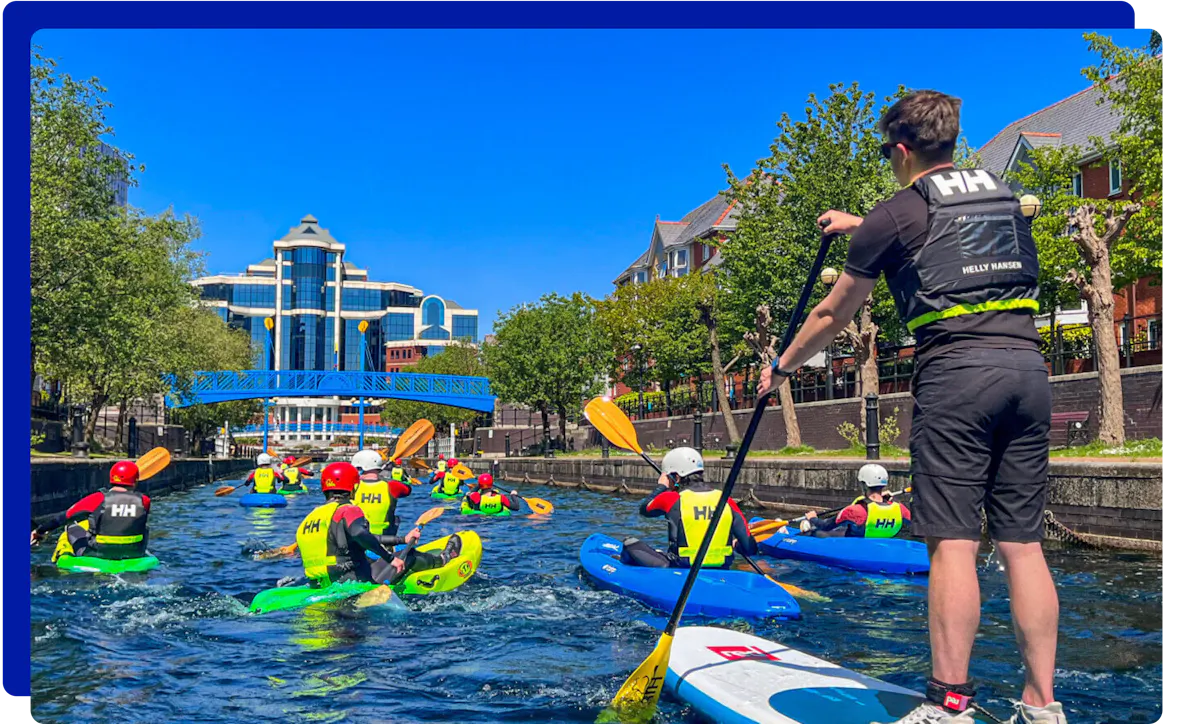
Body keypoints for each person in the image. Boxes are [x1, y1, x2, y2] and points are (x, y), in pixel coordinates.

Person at [756, 90, 1062, 724]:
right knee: (1022, 547)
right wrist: (860, 225)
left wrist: (780, 367)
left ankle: (948, 705)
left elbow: (831, 313)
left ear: (900, 149)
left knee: (952, 543)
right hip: (1031, 371)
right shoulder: (1003, 192)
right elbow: (952, 231)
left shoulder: (895, 213)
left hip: (958, 377)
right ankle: (1042, 708)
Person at [296, 462, 461, 588]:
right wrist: (390, 558)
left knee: (379, 557)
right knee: (408, 554)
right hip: (353, 583)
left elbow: (358, 537)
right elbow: (360, 534)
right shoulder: (348, 510)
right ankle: (442, 559)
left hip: (322, 585)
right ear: (354, 486)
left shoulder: (310, 518)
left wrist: (402, 539)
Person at [622, 447, 757, 569]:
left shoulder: (672, 499)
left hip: (682, 567)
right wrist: (737, 545)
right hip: (721, 568)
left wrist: (662, 486)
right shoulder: (726, 500)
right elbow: (750, 548)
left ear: (676, 477)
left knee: (630, 543)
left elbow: (645, 509)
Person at [30, 461, 151, 561]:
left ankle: (60, 556)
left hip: (98, 553)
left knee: (71, 526)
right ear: (135, 481)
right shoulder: (145, 500)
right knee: (145, 526)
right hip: (134, 553)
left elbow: (64, 517)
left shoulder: (97, 498)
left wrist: (40, 531)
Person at [795, 464, 911, 539]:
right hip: (883, 544)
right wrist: (891, 500)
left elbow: (825, 526)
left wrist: (813, 518)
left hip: (857, 545)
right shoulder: (899, 508)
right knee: (843, 528)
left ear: (864, 485)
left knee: (817, 533)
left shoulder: (855, 511)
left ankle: (805, 530)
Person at [350, 449, 413, 536]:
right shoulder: (392, 485)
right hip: (385, 540)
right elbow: (408, 490)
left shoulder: (352, 486)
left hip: (358, 539)